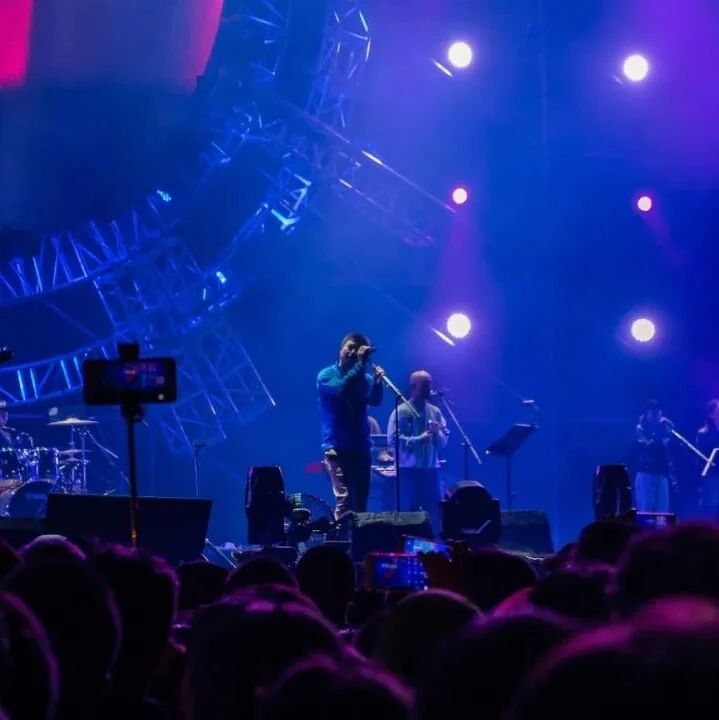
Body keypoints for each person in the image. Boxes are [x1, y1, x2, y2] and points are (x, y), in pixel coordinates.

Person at [317, 332, 384, 517]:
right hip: (336, 448)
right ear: (341, 348)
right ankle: (341, 536)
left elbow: (374, 400)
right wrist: (360, 366)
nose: (353, 351)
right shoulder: (326, 375)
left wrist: (377, 384)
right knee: (344, 501)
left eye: (358, 349)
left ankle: (357, 536)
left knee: (361, 503)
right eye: (350, 347)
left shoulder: (364, 378)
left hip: (361, 448)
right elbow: (341, 390)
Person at [386, 370, 448, 529]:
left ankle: (435, 541)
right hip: (409, 471)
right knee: (409, 515)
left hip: (431, 470)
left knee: (434, 513)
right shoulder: (401, 411)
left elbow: (443, 443)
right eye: (425, 384)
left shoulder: (435, 411)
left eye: (430, 383)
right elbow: (393, 440)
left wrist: (437, 433)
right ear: (414, 386)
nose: (429, 388)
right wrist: (419, 439)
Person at [634, 400, 673, 513]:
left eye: (658, 410)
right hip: (646, 473)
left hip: (662, 473)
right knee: (646, 510)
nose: (656, 413)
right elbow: (648, 445)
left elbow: (669, 445)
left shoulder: (665, 427)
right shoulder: (640, 428)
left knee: (662, 512)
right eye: (653, 410)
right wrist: (660, 432)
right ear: (647, 412)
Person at [696, 399, 719, 515]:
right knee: (711, 509)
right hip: (711, 476)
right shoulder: (703, 434)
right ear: (711, 414)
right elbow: (701, 457)